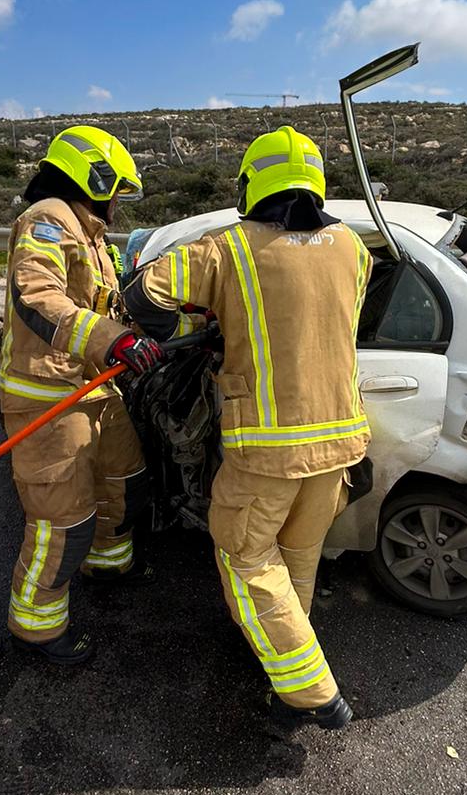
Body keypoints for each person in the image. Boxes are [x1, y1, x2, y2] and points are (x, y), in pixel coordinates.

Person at [123, 126, 370, 732]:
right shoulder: (353, 248)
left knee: (244, 557)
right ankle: (277, 653)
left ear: (251, 183)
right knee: (296, 558)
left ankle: (309, 691)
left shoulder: (226, 249)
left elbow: (141, 295)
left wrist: (197, 331)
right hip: (339, 443)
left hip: (267, 449)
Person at [0, 125, 158, 666]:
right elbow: (37, 296)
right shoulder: (47, 218)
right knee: (61, 521)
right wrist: (114, 340)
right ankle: (36, 628)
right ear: (95, 177)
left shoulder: (88, 231)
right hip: (48, 397)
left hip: (90, 388)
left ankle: (109, 564)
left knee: (126, 478)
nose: (116, 202)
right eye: (115, 189)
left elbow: (103, 302)